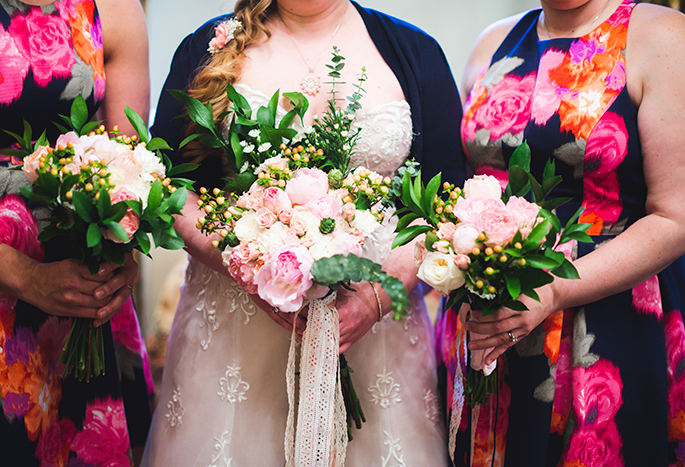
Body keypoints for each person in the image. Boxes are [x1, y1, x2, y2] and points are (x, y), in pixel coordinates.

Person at [141, 0, 467, 465]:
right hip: (237, 331)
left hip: (377, 336)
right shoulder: (206, 48)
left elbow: (444, 198)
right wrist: (246, 268)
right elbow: (170, 184)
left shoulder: (413, 51)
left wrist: (376, 297)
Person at [439, 0, 685, 465]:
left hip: (609, 319)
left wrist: (552, 291)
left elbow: (675, 217)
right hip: (492, 319)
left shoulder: (662, 36)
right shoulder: (493, 42)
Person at [0, 0, 154, 465]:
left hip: (80, 282)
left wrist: (122, 258)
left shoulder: (115, 10)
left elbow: (130, 163)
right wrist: (24, 277)